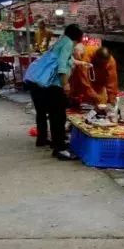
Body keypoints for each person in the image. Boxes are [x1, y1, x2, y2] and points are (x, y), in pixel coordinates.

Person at [24, 24, 85, 160]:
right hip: (52, 84)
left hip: (35, 80)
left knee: (43, 112)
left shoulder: (62, 40)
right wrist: (66, 84)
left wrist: (80, 63)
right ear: (79, 38)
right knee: (58, 116)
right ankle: (60, 148)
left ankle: (43, 140)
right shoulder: (69, 43)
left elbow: (63, 58)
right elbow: (62, 65)